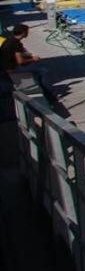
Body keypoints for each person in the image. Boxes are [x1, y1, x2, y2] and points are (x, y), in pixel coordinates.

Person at [1, 22, 38, 168]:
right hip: (9, 71)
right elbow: (20, 61)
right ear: (23, 33)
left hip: (5, 70)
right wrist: (33, 59)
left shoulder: (9, 40)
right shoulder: (15, 44)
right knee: (41, 71)